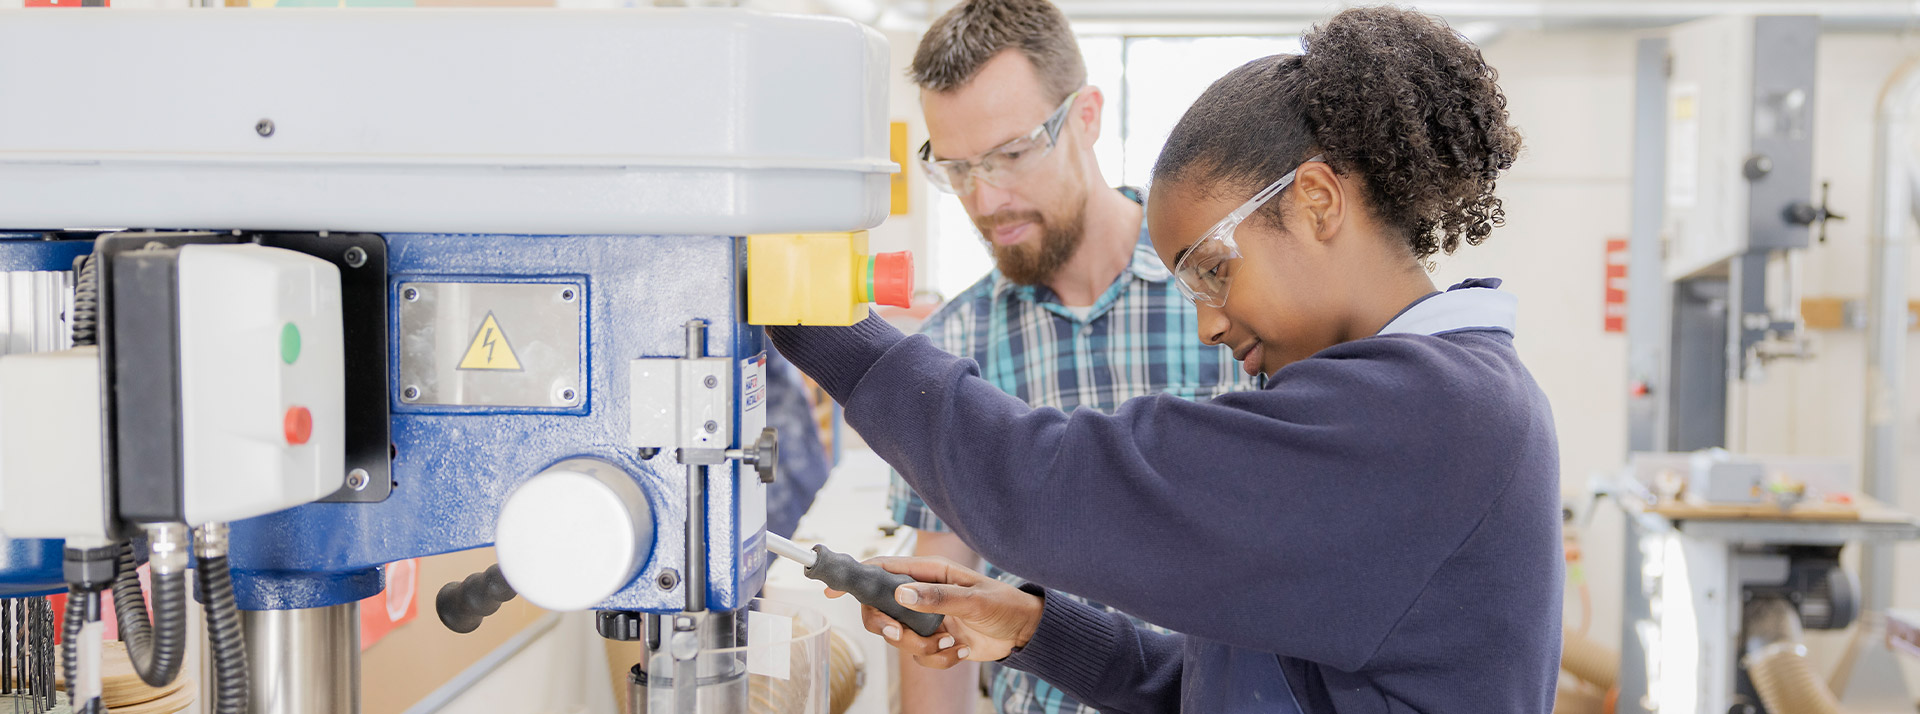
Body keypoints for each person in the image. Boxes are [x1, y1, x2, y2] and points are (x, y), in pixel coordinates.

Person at [769, 6, 1558, 712]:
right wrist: (1032, 627)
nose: (1210, 323)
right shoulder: (1418, 396)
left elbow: (1048, 486)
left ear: (1316, 201)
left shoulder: (1428, 410)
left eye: (1215, 269)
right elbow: (1232, 682)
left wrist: (815, 319)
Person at [892, 1, 1253, 711]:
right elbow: (940, 588)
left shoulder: (1227, 297)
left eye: (1012, 154)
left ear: (1086, 115)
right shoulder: (951, 343)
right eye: (958, 170)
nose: (985, 198)